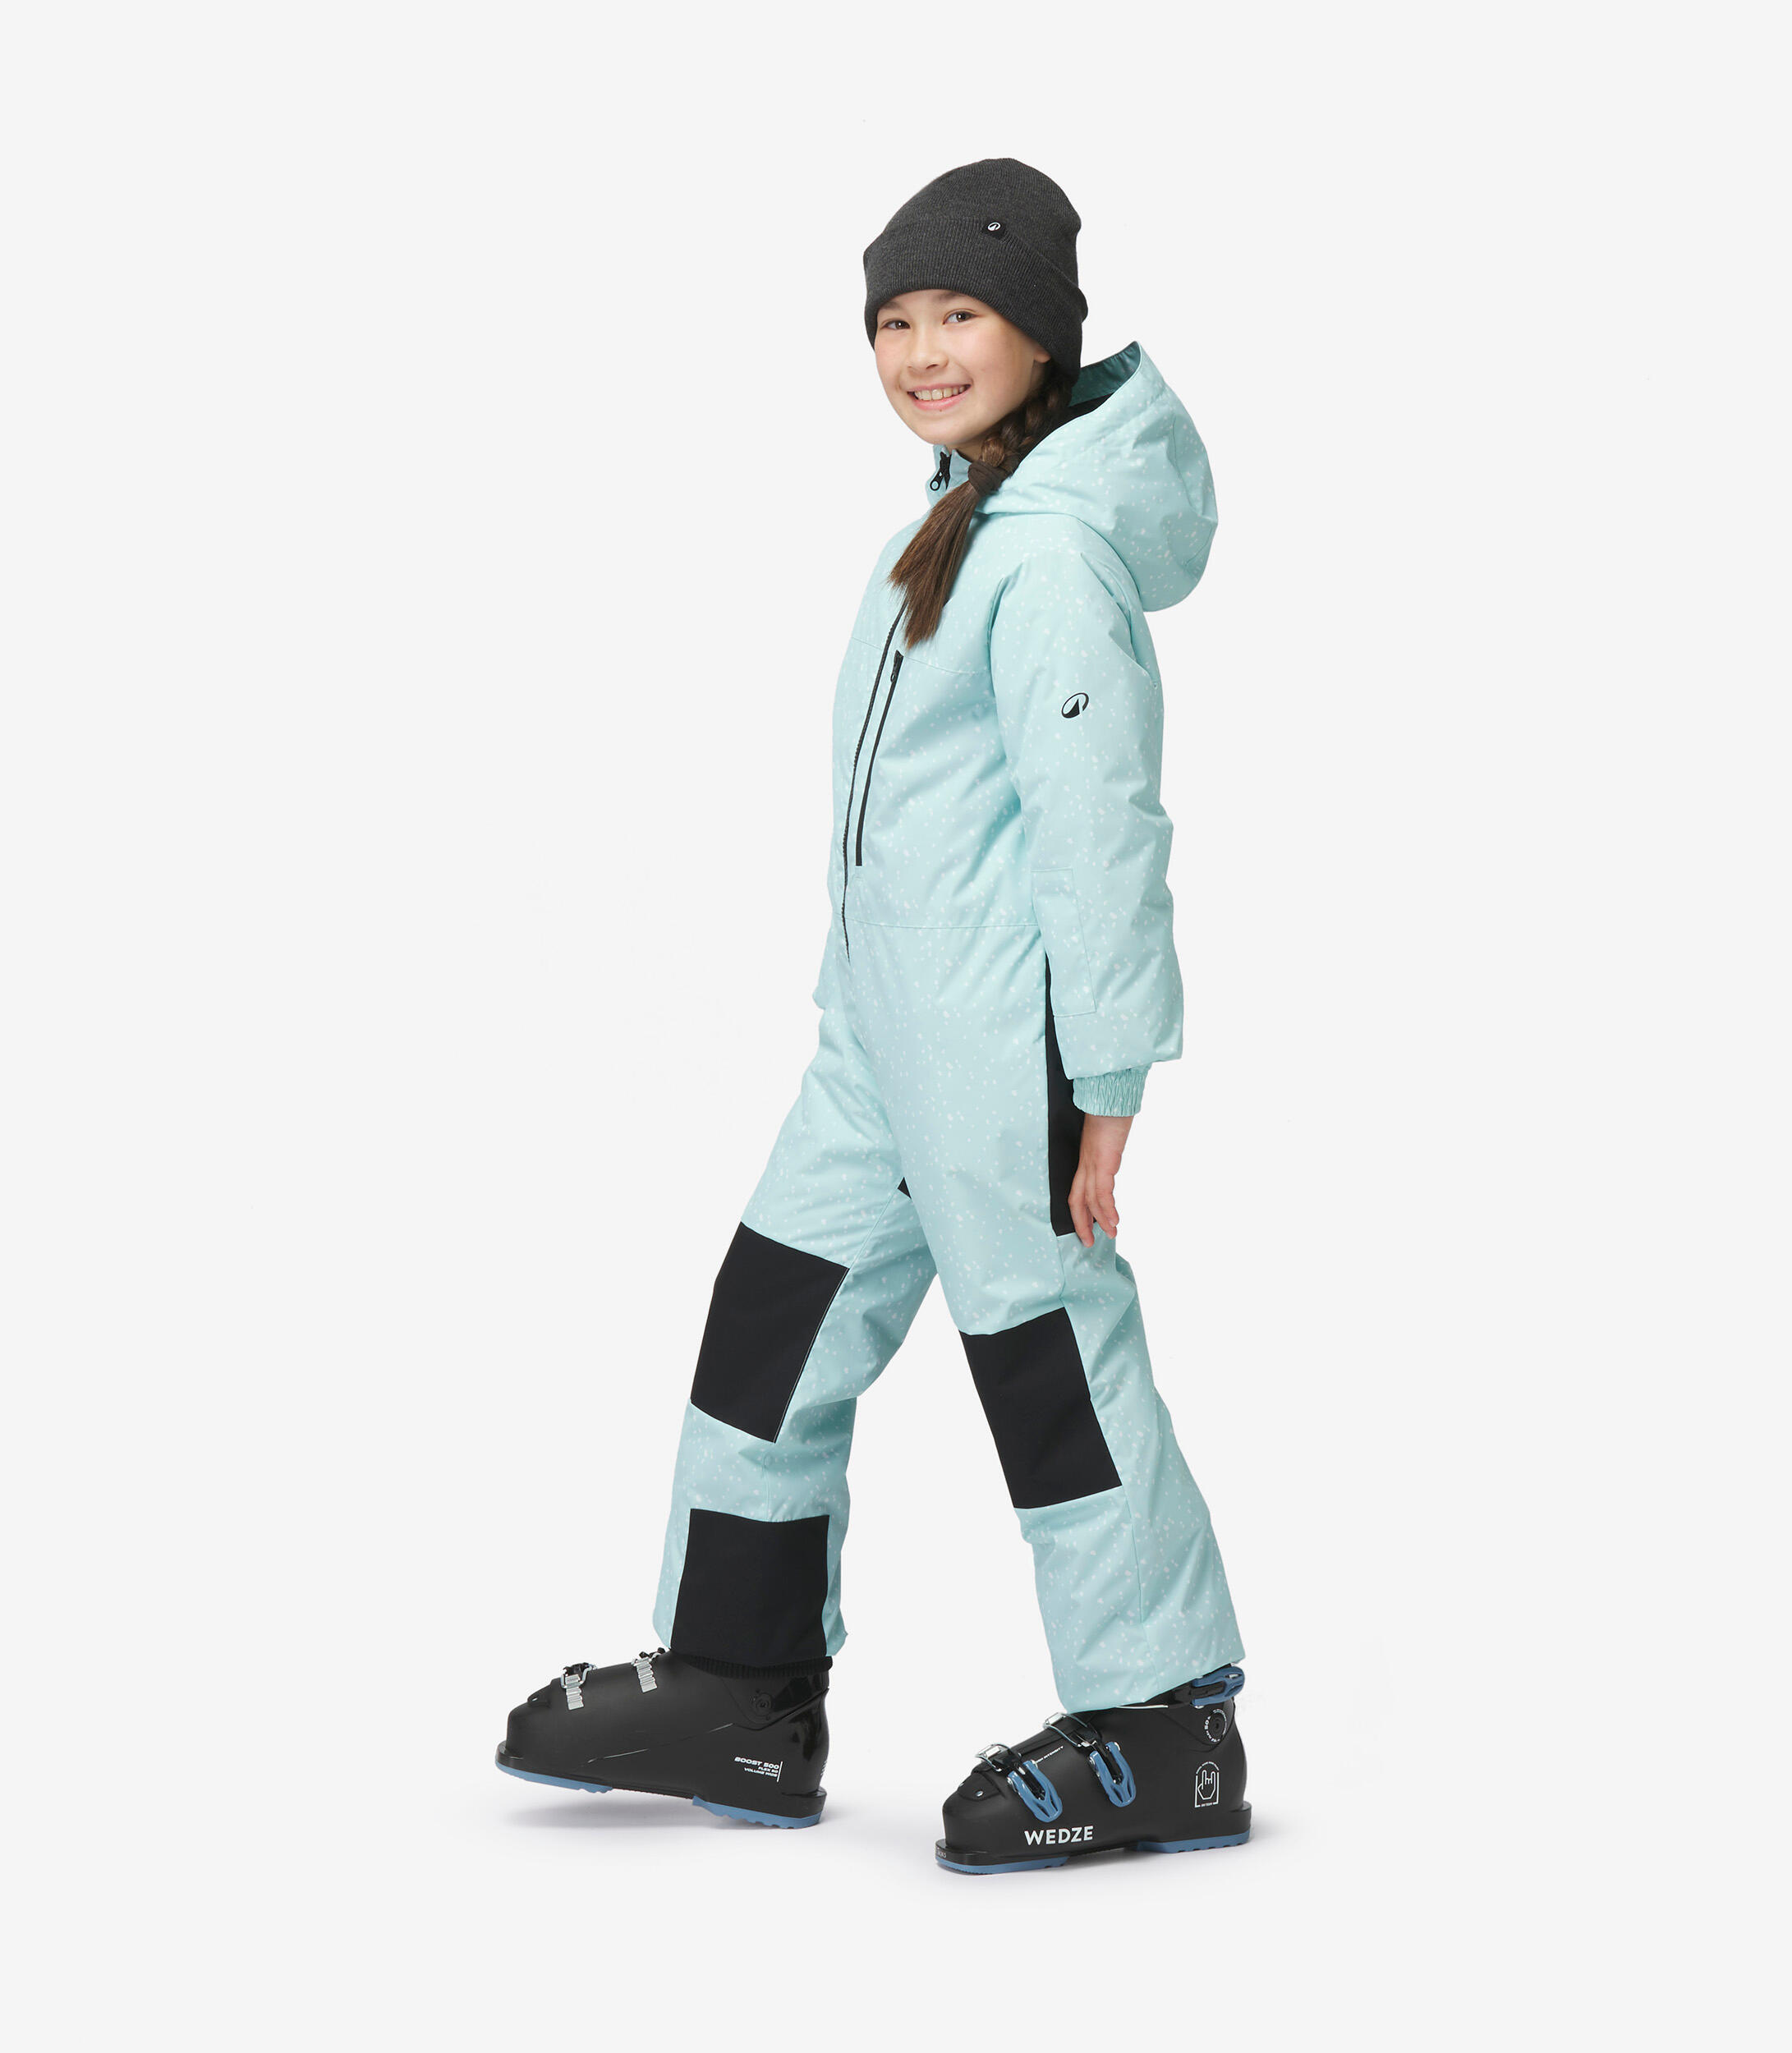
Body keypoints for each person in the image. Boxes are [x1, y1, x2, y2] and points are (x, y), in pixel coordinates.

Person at [496, 158, 1248, 1873]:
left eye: (958, 315)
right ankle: (740, 1683)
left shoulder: (1047, 558)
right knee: (771, 1330)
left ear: (1040, 335)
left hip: (1000, 1059)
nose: (920, 352)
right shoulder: (955, 517)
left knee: (1048, 1368)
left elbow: (1101, 832)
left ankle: (1164, 1722)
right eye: (893, 321)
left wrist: (1106, 1073)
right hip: (876, 1048)